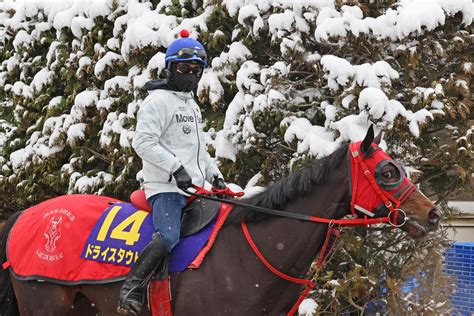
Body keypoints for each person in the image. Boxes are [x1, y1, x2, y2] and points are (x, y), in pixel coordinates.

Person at [117, 30, 226, 315]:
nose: (190, 75)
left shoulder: (191, 105)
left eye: (196, 70)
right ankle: (132, 288)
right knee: (168, 237)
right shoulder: (157, 102)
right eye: (183, 69)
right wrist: (175, 169)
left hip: (195, 189)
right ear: (169, 68)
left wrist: (215, 174)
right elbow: (142, 142)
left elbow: (199, 149)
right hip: (165, 189)